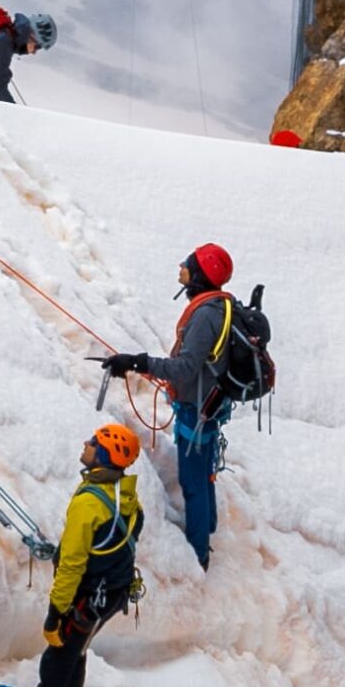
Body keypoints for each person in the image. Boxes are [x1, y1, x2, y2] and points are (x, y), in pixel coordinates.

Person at [99, 243, 237, 568]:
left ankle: (198, 553)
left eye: (187, 264)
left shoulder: (205, 316)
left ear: (199, 275)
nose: (181, 267)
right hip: (209, 404)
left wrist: (137, 362)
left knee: (193, 482)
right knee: (203, 474)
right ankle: (208, 526)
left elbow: (185, 368)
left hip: (197, 409)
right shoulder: (219, 308)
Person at [26, 424, 143, 687]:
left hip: (87, 596)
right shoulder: (126, 497)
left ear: (104, 454)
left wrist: (56, 611)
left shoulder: (89, 504)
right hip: (110, 594)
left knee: (58, 660)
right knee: (74, 651)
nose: (86, 444)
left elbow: (74, 565)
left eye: (93, 442)